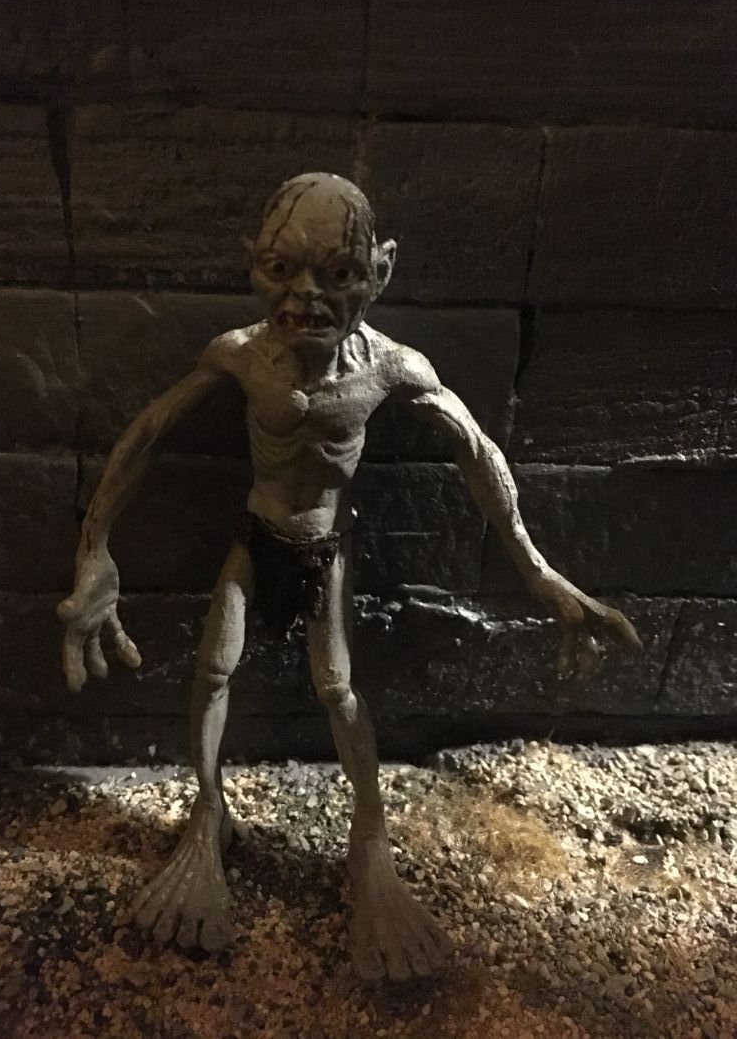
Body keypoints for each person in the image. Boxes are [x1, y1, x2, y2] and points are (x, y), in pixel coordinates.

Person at [58, 173, 641, 981]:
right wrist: (94, 547)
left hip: (325, 548)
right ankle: (209, 810)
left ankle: (371, 838)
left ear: (380, 272)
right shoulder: (241, 355)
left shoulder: (389, 367)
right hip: (257, 538)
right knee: (214, 668)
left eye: (337, 273)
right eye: (279, 269)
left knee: (338, 689)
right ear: (252, 265)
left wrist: (538, 573)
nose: (304, 296)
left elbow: (476, 450)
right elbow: (150, 429)